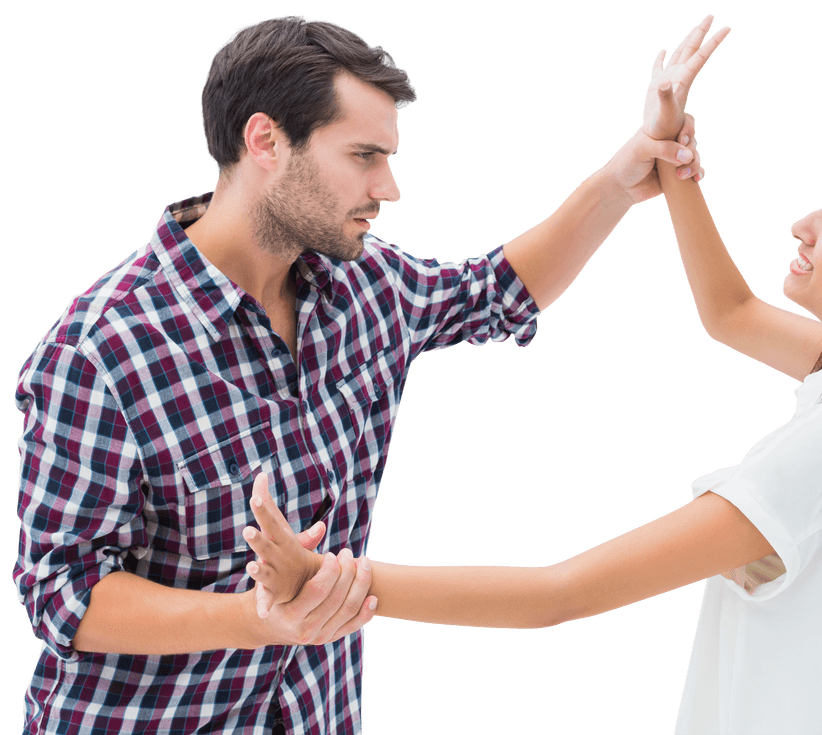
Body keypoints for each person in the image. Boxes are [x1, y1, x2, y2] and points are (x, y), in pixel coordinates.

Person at [245, 20, 822, 735]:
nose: (802, 225)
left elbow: (556, 594)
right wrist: (669, 156)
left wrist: (331, 579)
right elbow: (729, 311)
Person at [11, 14, 716, 735]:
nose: (390, 187)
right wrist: (257, 619)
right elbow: (64, 593)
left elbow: (493, 293)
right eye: (365, 155)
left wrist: (620, 182)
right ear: (266, 142)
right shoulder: (101, 348)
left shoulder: (364, 285)